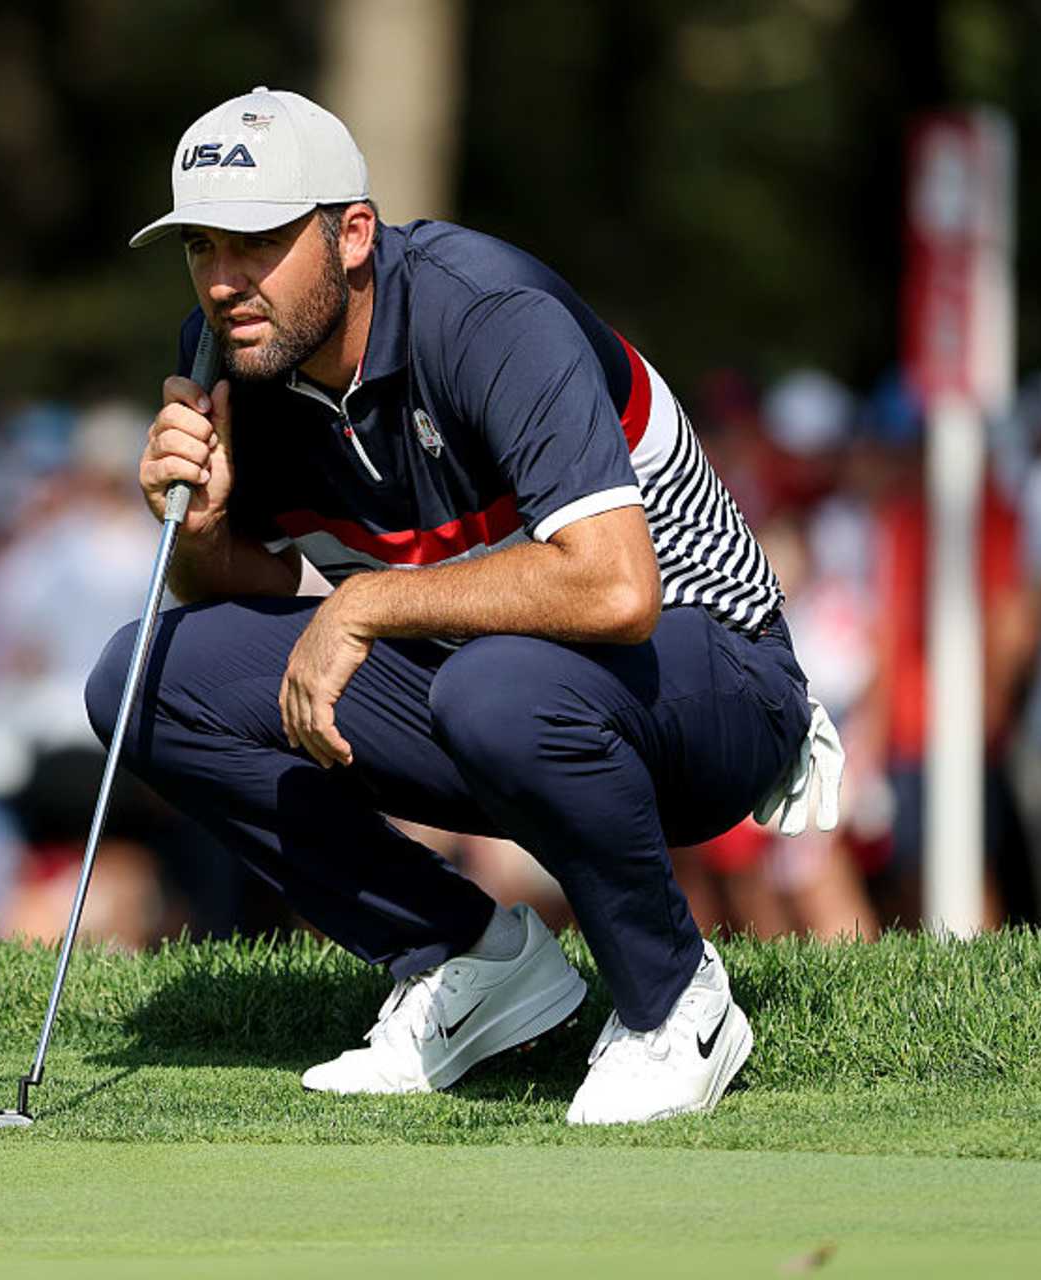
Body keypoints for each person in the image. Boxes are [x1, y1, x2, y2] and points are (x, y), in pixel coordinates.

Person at [88, 88, 841, 1125]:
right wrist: (203, 533)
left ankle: (675, 1002)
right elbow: (249, 594)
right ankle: (463, 952)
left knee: (495, 685)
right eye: (200, 247)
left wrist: (363, 605)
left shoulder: (483, 311)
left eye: (256, 242)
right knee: (143, 680)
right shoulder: (236, 352)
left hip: (714, 678)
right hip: (489, 682)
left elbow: (616, 586)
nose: (224, 282)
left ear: (351, 233)